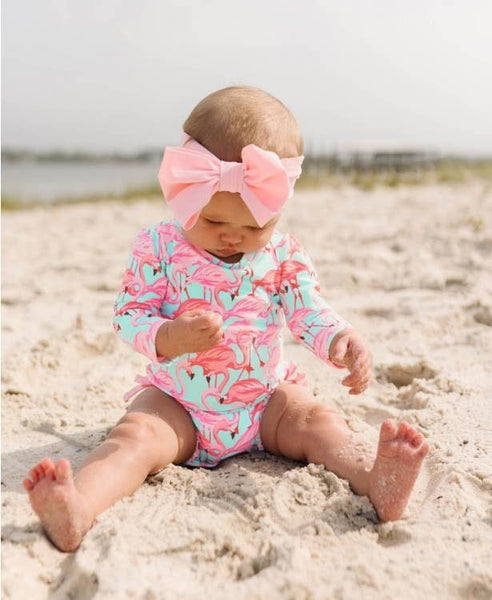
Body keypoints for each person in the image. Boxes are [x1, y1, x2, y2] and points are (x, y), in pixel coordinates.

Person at [23, 86, 429, 552]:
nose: (233, 236)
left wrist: (339, 338)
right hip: (179, 403)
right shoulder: (159, 246)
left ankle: (375, 477)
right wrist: (169, 336)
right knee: (134, 436)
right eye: (214, 221)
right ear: (184, 195)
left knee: (317, 418)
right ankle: (79, 505)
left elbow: (307, 308)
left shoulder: (282, 254)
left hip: (264, 401)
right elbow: (129, 315)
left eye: (255, 225)